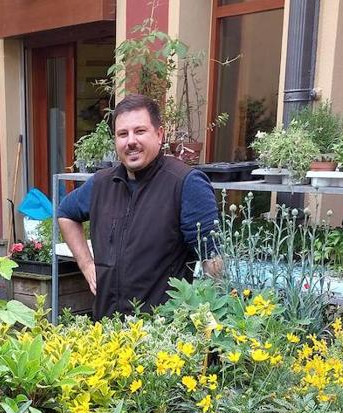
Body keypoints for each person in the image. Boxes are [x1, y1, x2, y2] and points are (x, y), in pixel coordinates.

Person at [57, 93, 223, 320]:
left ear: (159, 134)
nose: (131, 141)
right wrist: (86, 265)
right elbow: (66, 213)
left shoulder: (186, 183)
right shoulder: (102, 184)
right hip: (107, 328)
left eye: (140, 131)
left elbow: (214, 262)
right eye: (122, 134)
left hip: (161, 335)